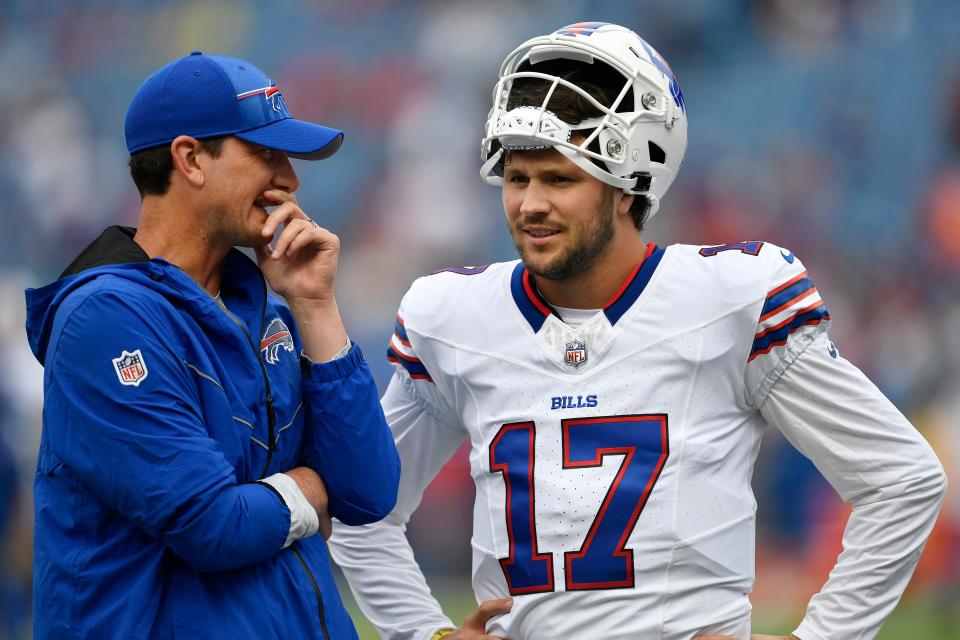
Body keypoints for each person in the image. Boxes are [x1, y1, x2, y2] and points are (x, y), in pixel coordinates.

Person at [328, 22, 947, 640]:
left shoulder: (730, 299)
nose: (530, 204)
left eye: (560, 179)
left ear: (629, 187)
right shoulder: (454, 316)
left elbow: (901, 479)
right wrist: (425, 633)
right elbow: (363, 510)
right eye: (518, 178)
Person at [25, 52, 401, 639]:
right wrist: (306, 489)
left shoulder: (269, 306)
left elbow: (370, 492)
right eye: (266, 154)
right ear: (191, 159)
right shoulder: (105, 319)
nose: (291, 180)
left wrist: (315, 305)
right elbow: (214, 526)